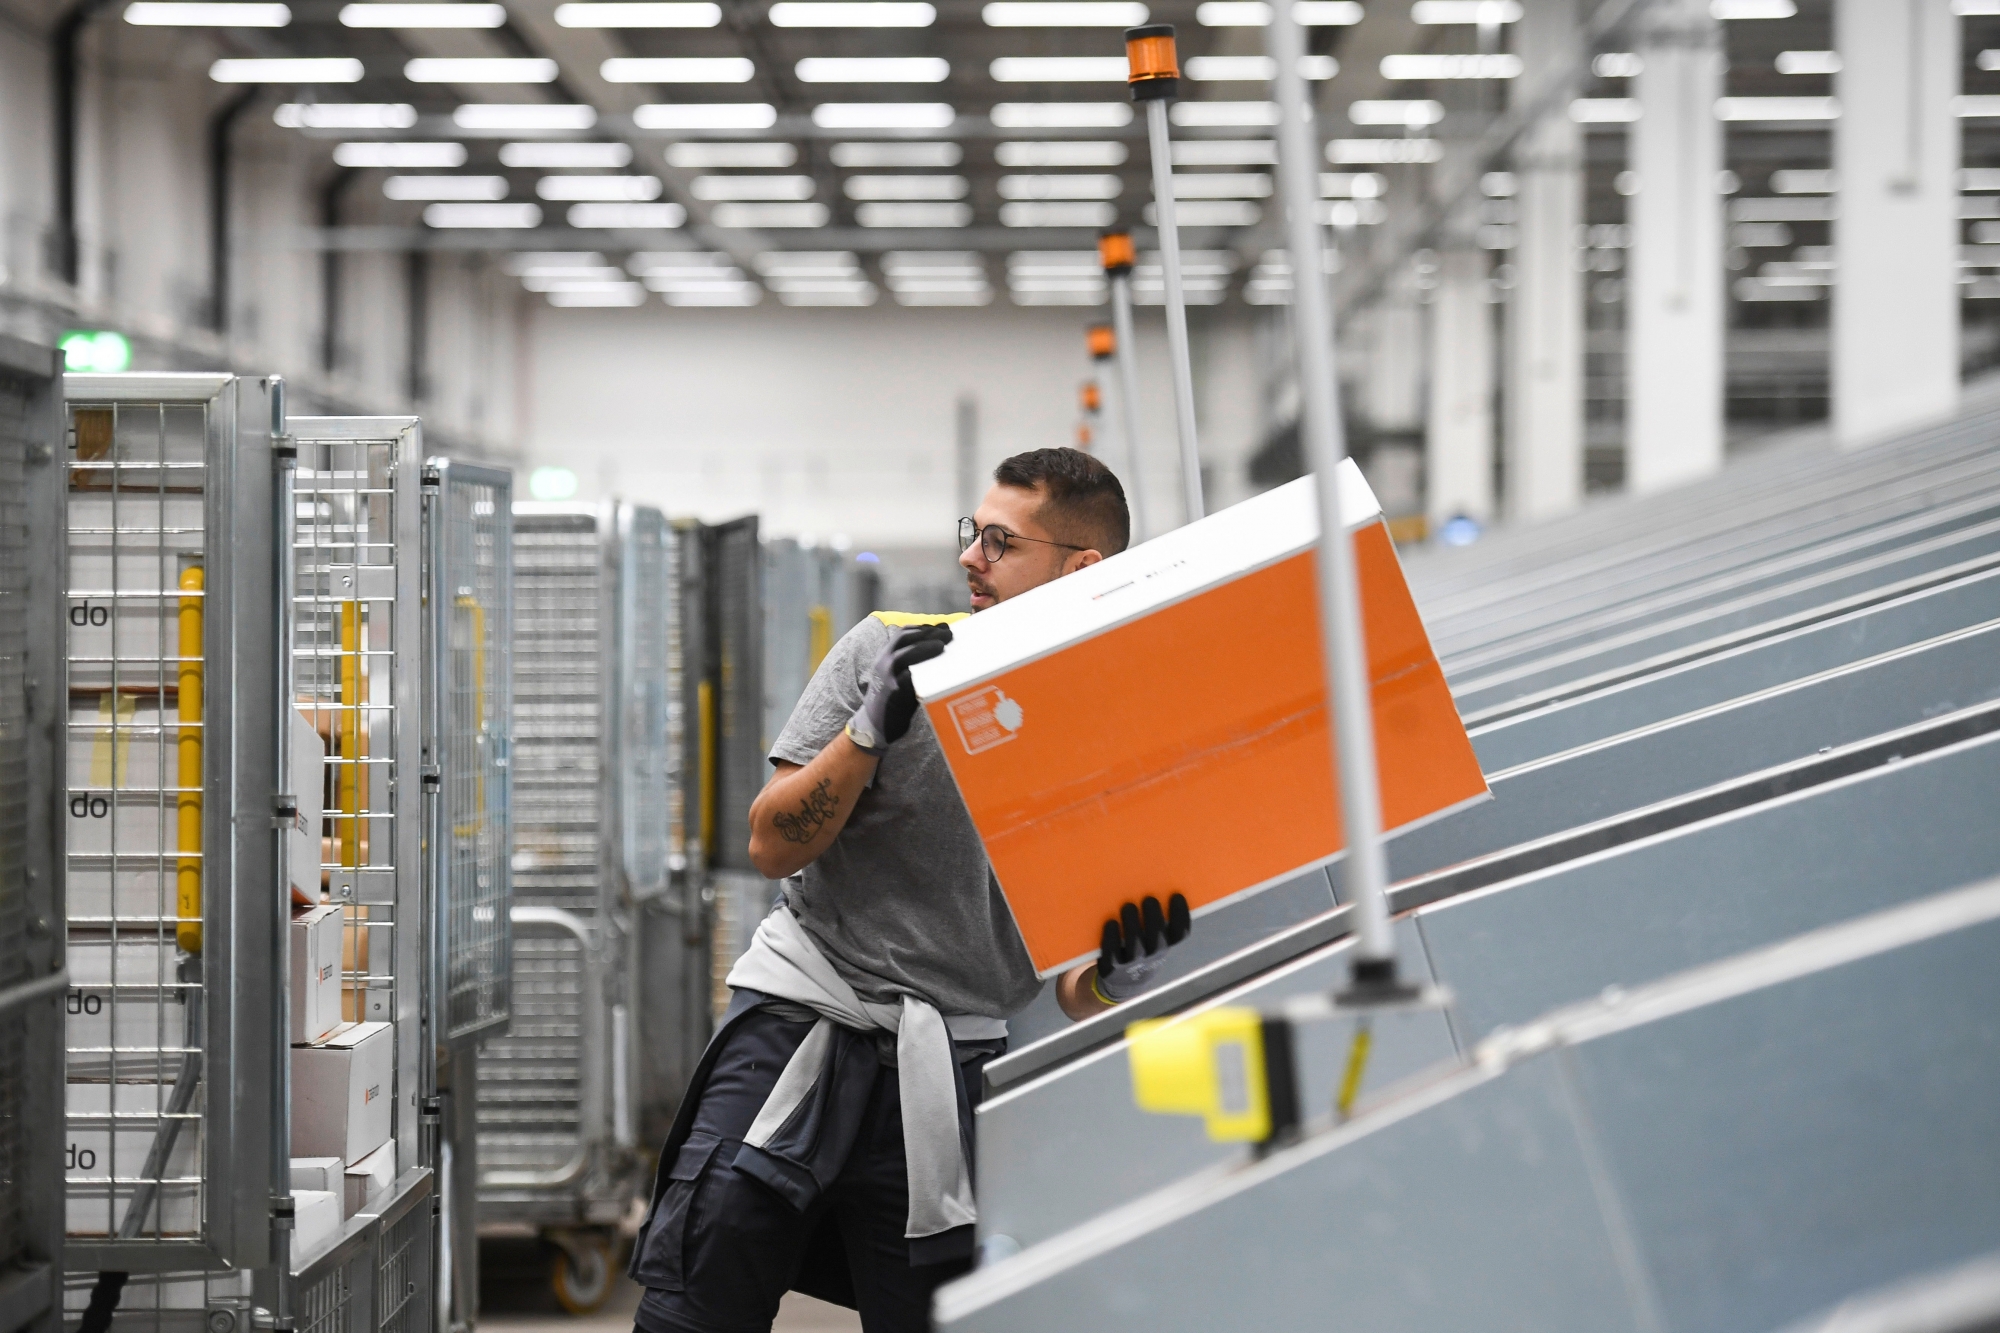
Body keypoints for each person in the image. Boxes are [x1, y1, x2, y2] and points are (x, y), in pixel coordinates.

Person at [627, 448, 1193, 1333]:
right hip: (799, 1024)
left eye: (1001, 541)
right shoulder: (889, 651)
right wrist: (868, 731)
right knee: (698, 1294)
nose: (971, 556)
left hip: (948, 1064)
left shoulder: (1119, 736)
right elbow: (772, 845)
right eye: (974, 533)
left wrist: (1127, 971)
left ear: (1081, 568)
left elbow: (1077, 988)